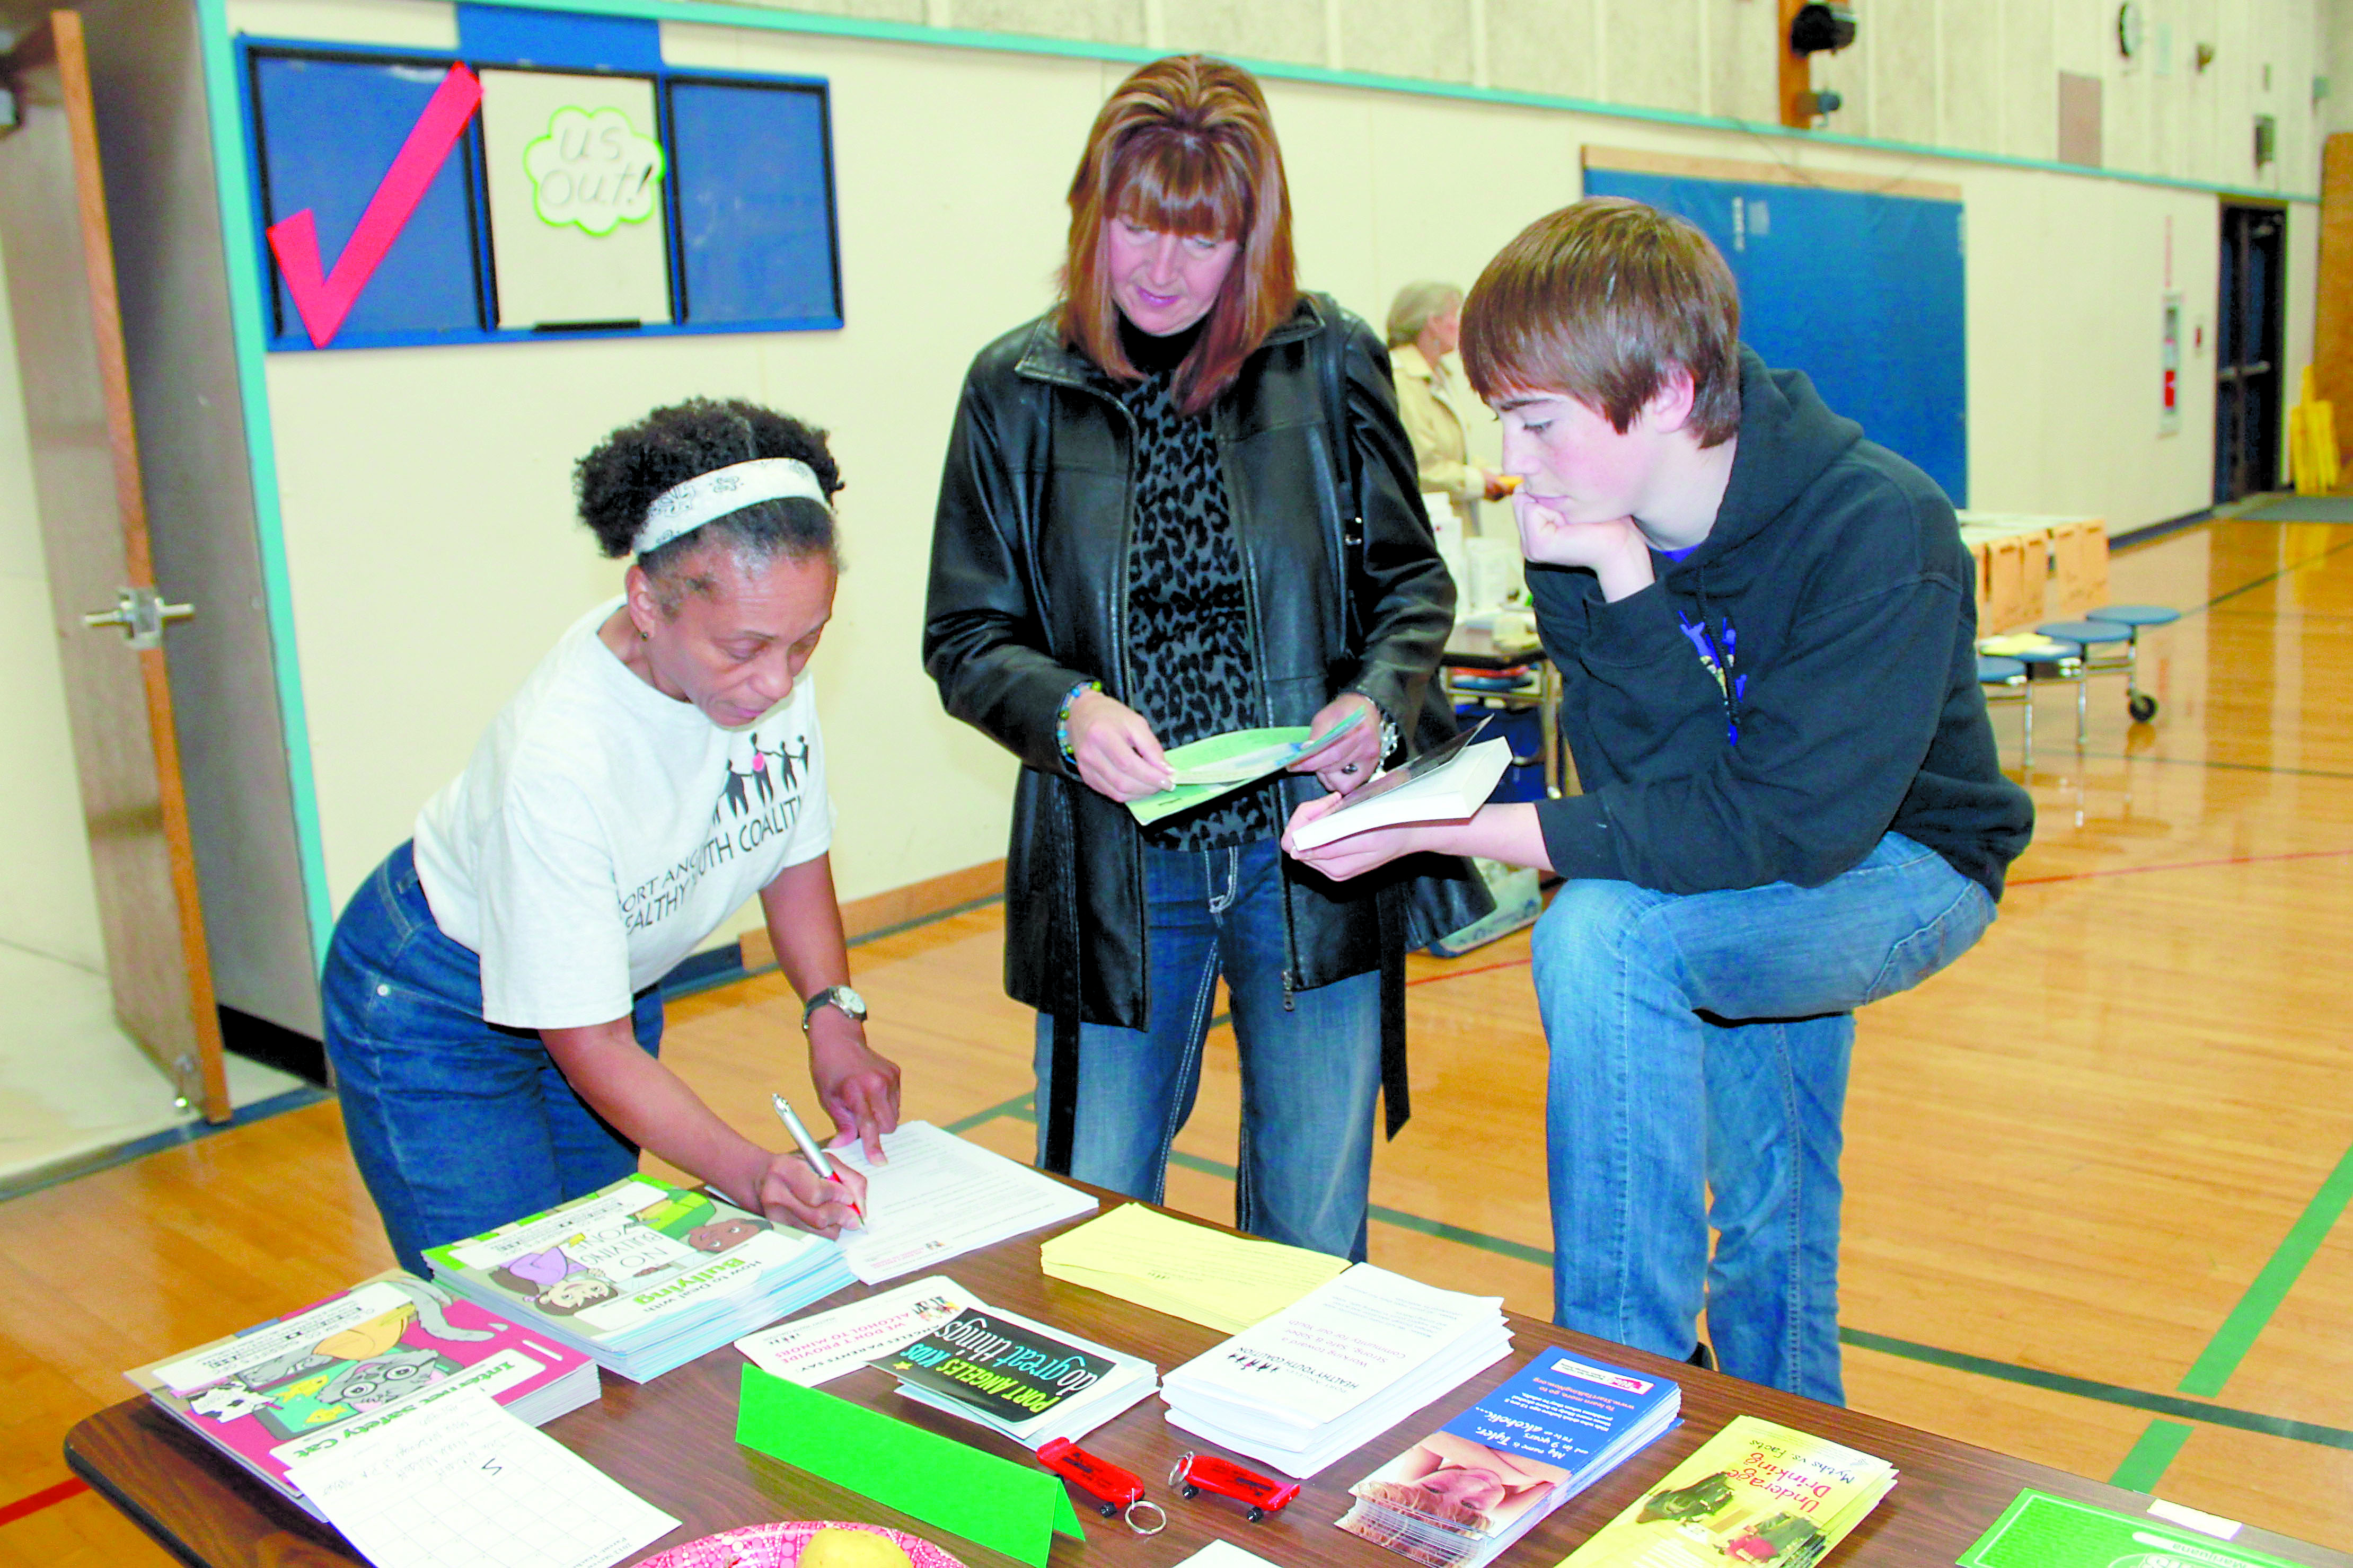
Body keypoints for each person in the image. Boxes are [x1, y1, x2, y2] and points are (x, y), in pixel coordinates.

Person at [1284, 199, 2034, 1398]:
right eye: (1502, 421)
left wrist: (1449, 829)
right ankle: (1797, 1435)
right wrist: (1628, 581)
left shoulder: (1879, 526)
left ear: (1673, 392)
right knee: (1776, 1197)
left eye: (1539, 421)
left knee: (1601, 934)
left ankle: (1614, 1375)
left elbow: (1786, 826)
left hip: (1903, 861)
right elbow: (1661, 800)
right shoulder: (1580, 526)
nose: (1514, 463)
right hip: (1748, 846)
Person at [923, 55, 1460, 1261]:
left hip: (1310, 854)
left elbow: (1411, 584)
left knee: (1313, 1226)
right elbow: (964, 635)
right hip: (1117, 867)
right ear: (1089, 216)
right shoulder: (1015, 387)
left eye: (1202, 236)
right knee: (1096, 1210)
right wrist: (1063, 709)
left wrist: (1376, 702)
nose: (1163, 267)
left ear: (1252, 239)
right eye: (1135, 225)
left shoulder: (1328, 358)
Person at [322, 398, 902, 1277]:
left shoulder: (761, 656)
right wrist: (750, 1172)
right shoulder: (561, 760)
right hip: (436, 998)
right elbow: (587, 1041)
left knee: (601, 1268)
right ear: (645, 600)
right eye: (745, 647)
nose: (776, 680)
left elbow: (790, 849)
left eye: (805, 642)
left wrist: (833, 1013)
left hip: (602, 987)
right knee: (516, 1290)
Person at [1387, 280, 1510, 535]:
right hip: (1426, 530)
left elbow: (1453, 456)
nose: (1459, 326)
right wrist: (1479, 481)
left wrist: (1493, 475)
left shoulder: (1439, 376)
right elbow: (1421, 469)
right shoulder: (1403, 379)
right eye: (1454, 316)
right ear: (1433, 322)